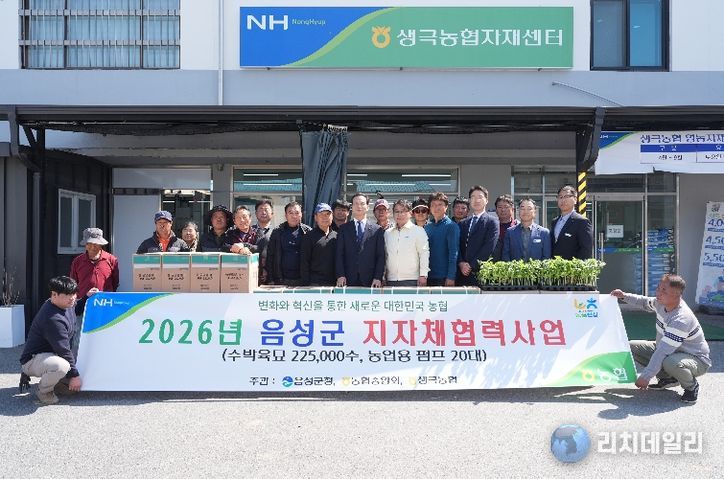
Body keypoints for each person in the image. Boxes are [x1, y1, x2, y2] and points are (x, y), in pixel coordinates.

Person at [611, 274, 711, 404]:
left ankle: (691, 387)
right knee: (631, 347)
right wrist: (623, 296)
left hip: (696, 359)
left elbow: (663, 351)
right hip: (672, 351)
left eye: (664, 290)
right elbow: (644, 302)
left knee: (670, 362)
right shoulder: (660, 303)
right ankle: (668, 378)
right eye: (658, 288)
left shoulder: (681, 319)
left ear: (677, 294)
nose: (658, 293)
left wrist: (646, 377)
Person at [19, 276, 82, 405]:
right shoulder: (52, 318)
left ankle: (57, 383)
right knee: (61, 367)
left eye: (74, 293)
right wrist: (74, 376)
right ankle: (44, 392)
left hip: (52, 354)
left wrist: (87, 297)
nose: (72, 298)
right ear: (54, 294)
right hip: (33, 360)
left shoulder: (65, 304)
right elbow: (63, 350)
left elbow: (77, 306)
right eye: (68, 295)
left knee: (79, 357)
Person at [336, 193, 386, 287]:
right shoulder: (343, 229)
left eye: (362, 203)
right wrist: (340, 275)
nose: (359, 206)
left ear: (367, 207)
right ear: (352, 207)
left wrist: (378, 277)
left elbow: (380, 256)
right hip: (347, 279)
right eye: (356, 203)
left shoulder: (377, 230)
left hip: (371, 280)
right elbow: (339, 254)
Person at [69, 227, 119, 317]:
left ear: (101, 245)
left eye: (96, 244)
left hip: (105, 305)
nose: (93, 247)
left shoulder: (111, 260)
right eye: (89, 243)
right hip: (83, 305)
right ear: (85, 245)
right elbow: (73, 283)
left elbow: (115, 282)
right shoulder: (77, 261)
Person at [457, 186, 499, 286]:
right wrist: (461, 263)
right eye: (473, 197)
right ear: (469, 200)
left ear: (486, 200)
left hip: (481, 272)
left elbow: (489, 247)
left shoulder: (492, 222)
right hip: (462, 274)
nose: (476, 200)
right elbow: (457, 246)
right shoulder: (463, 223)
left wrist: (471, 265)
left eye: (480, 197)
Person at [385, 199, 429, 287]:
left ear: (410, 213)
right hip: (391, 279)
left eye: (403, 211)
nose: (399, 214)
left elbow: (424, 253)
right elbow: (385, 256)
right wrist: (383, 276)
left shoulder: (418, 231)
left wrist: (423, 275)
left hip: (412, 280)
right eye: (397, 211)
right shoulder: (387, 233)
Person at [266, 201, 311, 286]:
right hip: (281, 279)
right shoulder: (277, 232)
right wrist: (270, 279)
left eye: (297, 213)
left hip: (303, 280)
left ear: (301, 215)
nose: (294, 216)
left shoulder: (308, 232)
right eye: (290, 213)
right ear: (286, 215)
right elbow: (270, 256)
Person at [424, 192, 460, 287]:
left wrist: (451, 276)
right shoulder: (427, 227)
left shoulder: (451, 226)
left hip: (444, 277)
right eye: (433, 205)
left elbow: (454, 253)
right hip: (428, 276)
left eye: (440, 204)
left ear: (446, 207)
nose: (436, 208)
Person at [300, 203, 338, 286]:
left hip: (334, 283)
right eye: (321, 214)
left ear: (332, 216)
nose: (325, 217)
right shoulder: (309, 237)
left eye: (327, 214)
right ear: (316, 217)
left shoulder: (337, 236)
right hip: (315, 283)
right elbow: (304, 262)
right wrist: (306, 283)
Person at [551, 185, 593, 259]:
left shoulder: (582, 222)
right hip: (554, 265)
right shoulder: (554, 222)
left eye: (566, 196)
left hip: (572, 265)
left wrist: (576, 265)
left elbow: (586, 250)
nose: (563, 200)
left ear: (575, 200)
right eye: (560, 197)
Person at [252, 199, 274, 284]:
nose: (263, 212)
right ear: (256, 213)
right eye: (260, 209)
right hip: (252, 273)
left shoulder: (277, 232)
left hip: (272, 276)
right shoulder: (249, 231)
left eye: (266, 209)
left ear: (272, 213)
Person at [492, 194, 517, 261]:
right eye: (500, 207)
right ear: (496, 210)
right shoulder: (491, 227)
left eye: (506, 207)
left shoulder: (518, 226)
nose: (503, 210)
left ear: (512, 209)